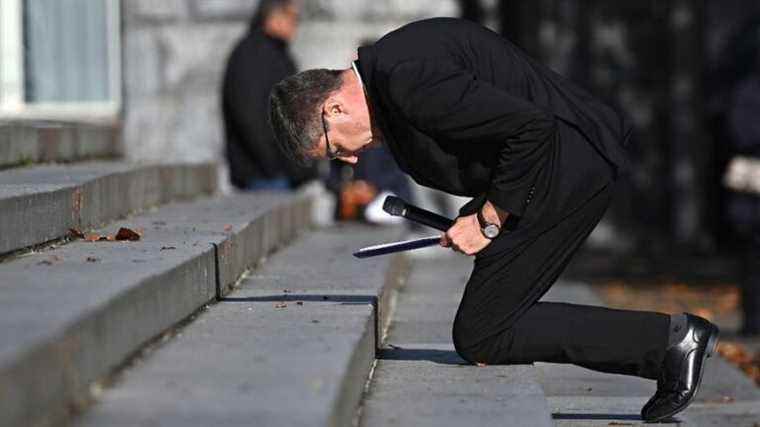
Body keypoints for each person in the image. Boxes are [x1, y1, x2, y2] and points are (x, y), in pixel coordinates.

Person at [268, 18, 719, 422]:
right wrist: (475, 215)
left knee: (484, 331)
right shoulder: (394, 72)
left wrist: (488, 219)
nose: (348, 161)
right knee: (486, 328)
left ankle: (670, 343)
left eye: (334, 150)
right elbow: (492, 140)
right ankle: (668, 343)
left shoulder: (407, 79)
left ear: (333, 109)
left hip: (568, 166)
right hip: (550, 170)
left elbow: (531, 129)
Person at [221, 0, 315, 191]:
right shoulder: (251, 55)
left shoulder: (277, 54)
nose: (296, 24)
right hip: (264, 174)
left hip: (280, 172)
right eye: (293, 16)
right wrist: (273, 164)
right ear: (274, 16)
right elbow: (249, 116)